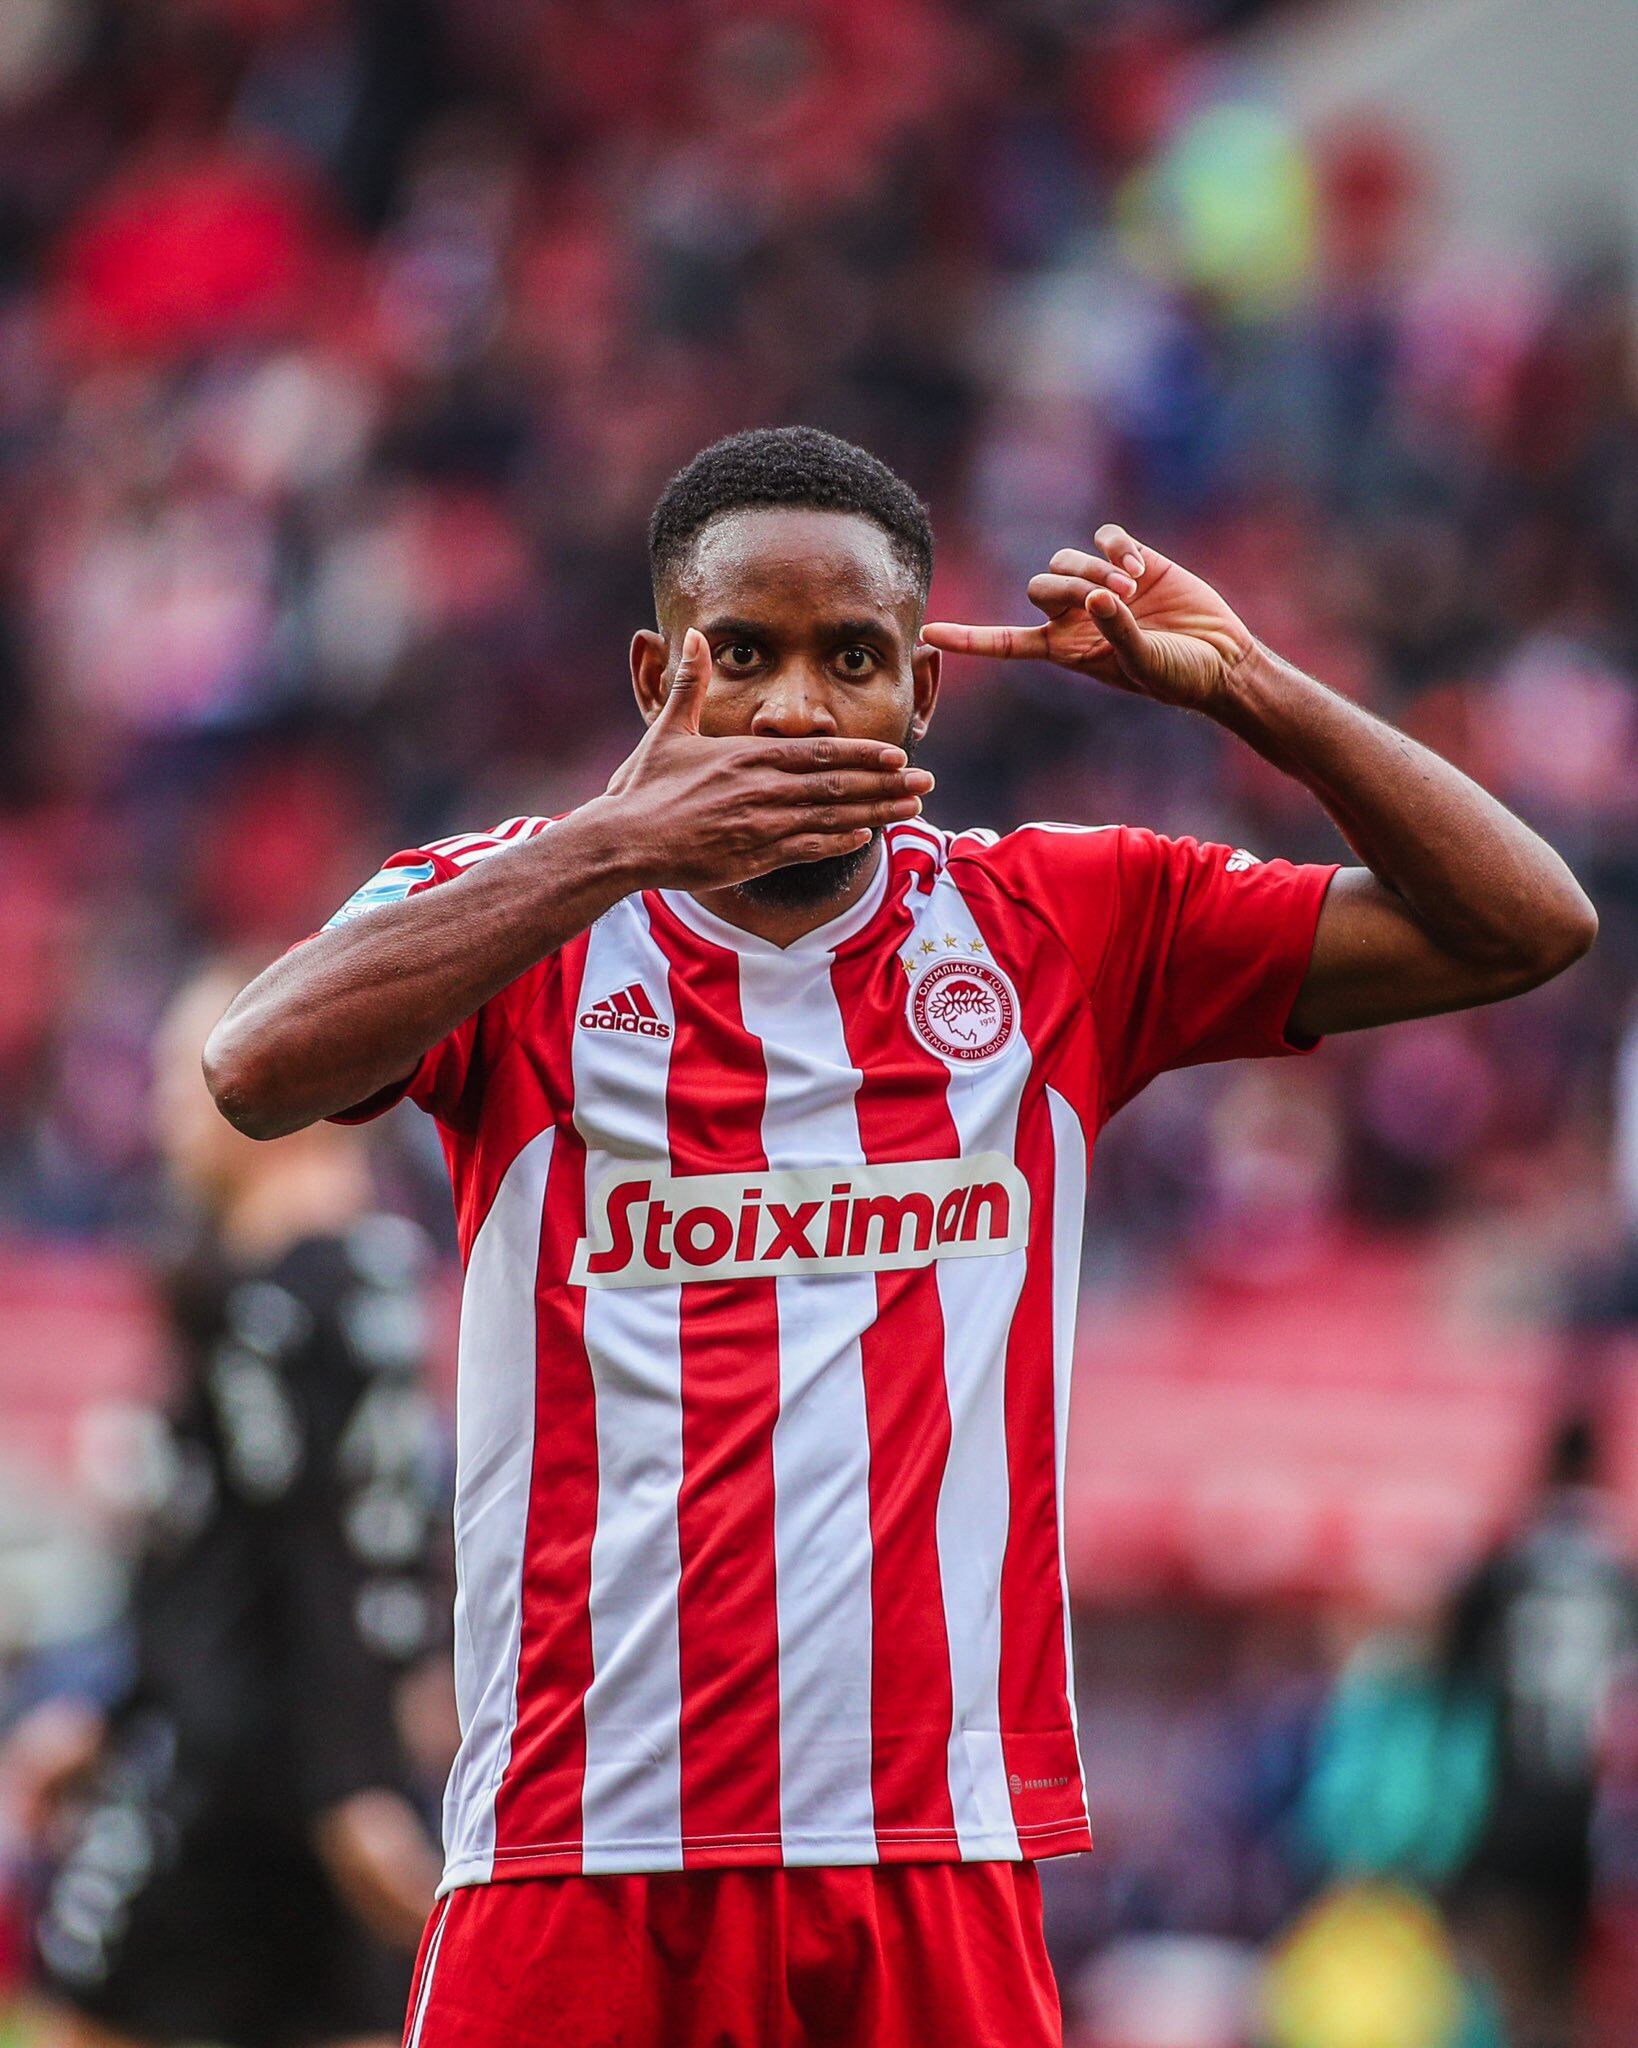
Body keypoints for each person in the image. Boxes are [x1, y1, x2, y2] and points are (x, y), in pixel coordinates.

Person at [203, 426, 1597, 2048]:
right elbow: (252, 1067)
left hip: (929, 1854)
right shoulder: (513, 916)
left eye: (852, 657)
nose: (797, 704)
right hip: (575, 1848)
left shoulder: (1056, 926)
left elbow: (1526, 921)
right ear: (656, 672)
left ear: (922, 693)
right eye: (744, 656)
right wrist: (616, 840)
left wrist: (1246, 687)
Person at [7, 961, 445, 2048]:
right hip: (307, 1759)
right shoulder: (364, 1280)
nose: (165, 1104)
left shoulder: (287, 1305)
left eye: (184, 1069)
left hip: (232, 1775)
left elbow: (318, 1548)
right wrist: (113, 1701)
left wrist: (349, 1785)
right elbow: (241, 1545)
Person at [1442, 1413, 1638, 2048]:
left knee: (1509, 1999)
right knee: (1572, 2008)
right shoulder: (1619, 1575)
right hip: (1594, 1826)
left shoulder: (1502, 1567)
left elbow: (1451, 1680)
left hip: (1504, 1813)